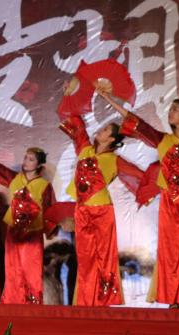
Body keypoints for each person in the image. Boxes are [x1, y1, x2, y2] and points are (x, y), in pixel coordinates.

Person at [98, 89, 179, 307]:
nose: (170, 112)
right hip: (170, 200)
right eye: (170, 109)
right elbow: (135, 122)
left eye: (175, 110)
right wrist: (109, 98)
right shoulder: (162, 139)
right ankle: (173, 298)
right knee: (170, 249)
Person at [59, 114, 143, 306]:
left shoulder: (114, 160)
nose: (101, 130)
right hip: (82, 211)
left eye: (106, 130)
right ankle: (86, 301)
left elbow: (140, 175)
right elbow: (78, 129)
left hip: (102, 211)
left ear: (111, 139)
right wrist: (71, 104)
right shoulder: (85, 150)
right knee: (85, 258)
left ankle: (104, 301)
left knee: (104, 257)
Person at [0, 147, 56, 304]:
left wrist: (51, 230)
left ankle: (32, 305)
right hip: (14, 232)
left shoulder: (44, 185)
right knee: (13, 269)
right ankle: (12, 303)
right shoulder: (15, 179)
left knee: (31, 270)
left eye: (31, 159)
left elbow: (51, 209)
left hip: (32, 233)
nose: (26, 161)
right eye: (25, 158)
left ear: (39, 164)